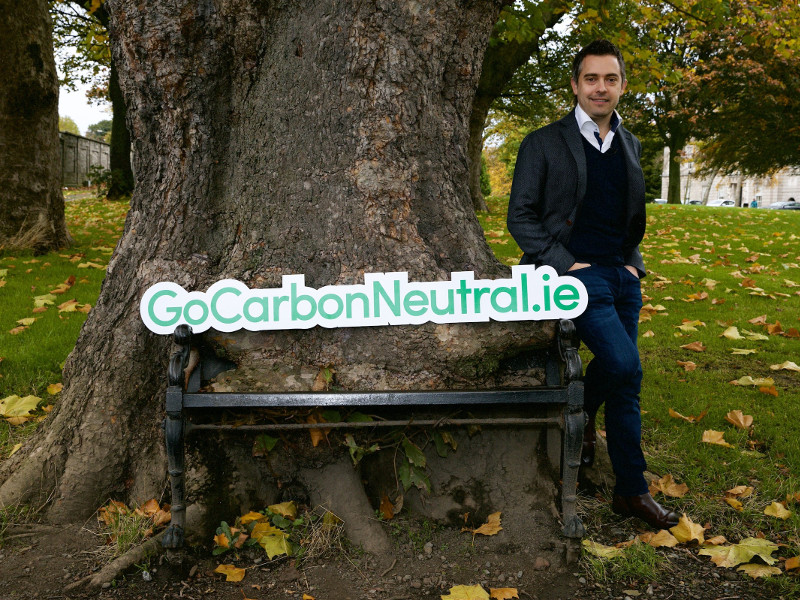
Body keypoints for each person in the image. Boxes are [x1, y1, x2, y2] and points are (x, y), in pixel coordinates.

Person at [507, 39, 678, 530]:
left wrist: (632, 263)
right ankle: (577, 414)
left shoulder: (630, 142)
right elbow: (520, 216)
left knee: (628, 383)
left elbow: (630, 217)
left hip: (621, 276)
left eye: (610, 79)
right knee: (624, 365)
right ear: (575, 85)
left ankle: (632, 490)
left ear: (622, 85)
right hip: (572, 277)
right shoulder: (543, 142)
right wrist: (566, 263)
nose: (600, 88)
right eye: (591, 79)